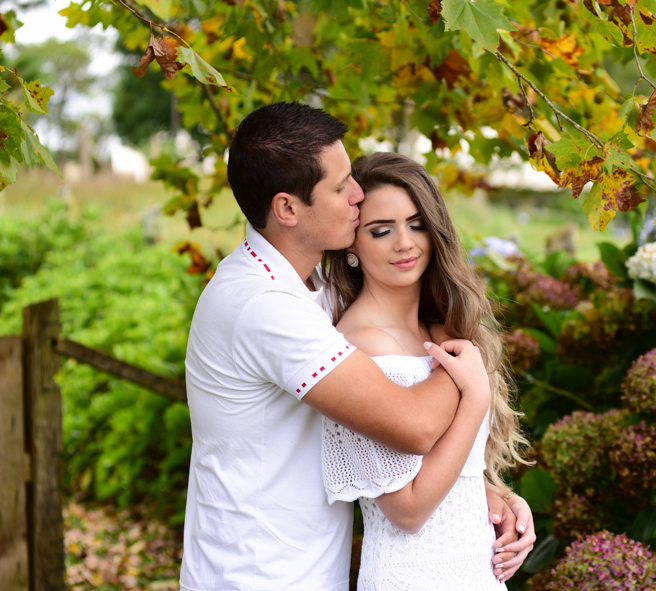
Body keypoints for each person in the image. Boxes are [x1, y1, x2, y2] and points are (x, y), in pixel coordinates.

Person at [180, 101, 535, 591]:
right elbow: (413, 426)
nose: (357, 194)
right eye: (341, 185)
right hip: (257, 576)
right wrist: (470, 370)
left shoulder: (309, 292)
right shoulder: (262, 306)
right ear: (287, 208)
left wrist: (483, 493)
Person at [320, 152, 532, 589]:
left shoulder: (438, 329)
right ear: (352, 244)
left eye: (417, 224)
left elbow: (448, 471)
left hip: (474, 571)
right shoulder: (364, 344)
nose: (405, 243)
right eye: (381, 231)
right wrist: (476, 397)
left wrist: (502, 499)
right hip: (413, 575)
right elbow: (408, 509)